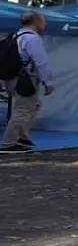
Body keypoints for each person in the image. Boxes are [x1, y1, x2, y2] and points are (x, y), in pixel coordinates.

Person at [0, 11, 53, 153]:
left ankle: (21, 136)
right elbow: (41, 61)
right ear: (36, 22)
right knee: (23, 109)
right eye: (43, 21)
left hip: (11, 78)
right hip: (25, 79)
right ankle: (9, 142)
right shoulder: (32, 39)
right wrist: (47, 82)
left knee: (33, 105)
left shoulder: (15, 35)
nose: (45, 24)